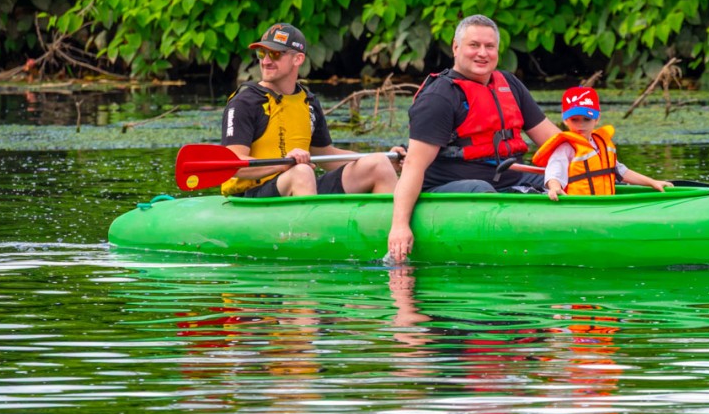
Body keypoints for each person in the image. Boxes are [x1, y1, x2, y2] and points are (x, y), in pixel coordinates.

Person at [385, 15, 559, 262]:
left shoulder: (509, 84)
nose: (482, 53)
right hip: (453, 186)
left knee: (558, 176)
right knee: (481, 189)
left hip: (509, 178)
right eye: (474, 45)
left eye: (490, 47)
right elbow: (413, 166)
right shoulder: (440, 97)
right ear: (456, 48)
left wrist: (592, 162)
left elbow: (555, 142)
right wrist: (400, 225)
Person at [220, 22, 400, 197]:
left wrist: (387, 158)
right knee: (302, 172)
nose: (266, 61)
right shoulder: (245, 102)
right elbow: (233, 163)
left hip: (299, 181)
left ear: (298, 59)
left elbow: (327, 155)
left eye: (275, 54)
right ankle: (312, 228)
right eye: (262, 53)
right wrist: (283, 165)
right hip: (252, 195)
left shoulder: (309, 102)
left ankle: (396, 225)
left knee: (378, 164)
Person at [531, 86, 673, 199]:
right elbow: (554, 173)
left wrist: (652, 182)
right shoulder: (566, 147)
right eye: (575, 119)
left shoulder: (601, 144)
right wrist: (555, 188)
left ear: (597, 119)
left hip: (604, 203)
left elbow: (622, 172)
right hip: (579, 205)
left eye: (587, 119)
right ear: (565, 119)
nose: (581, 125)